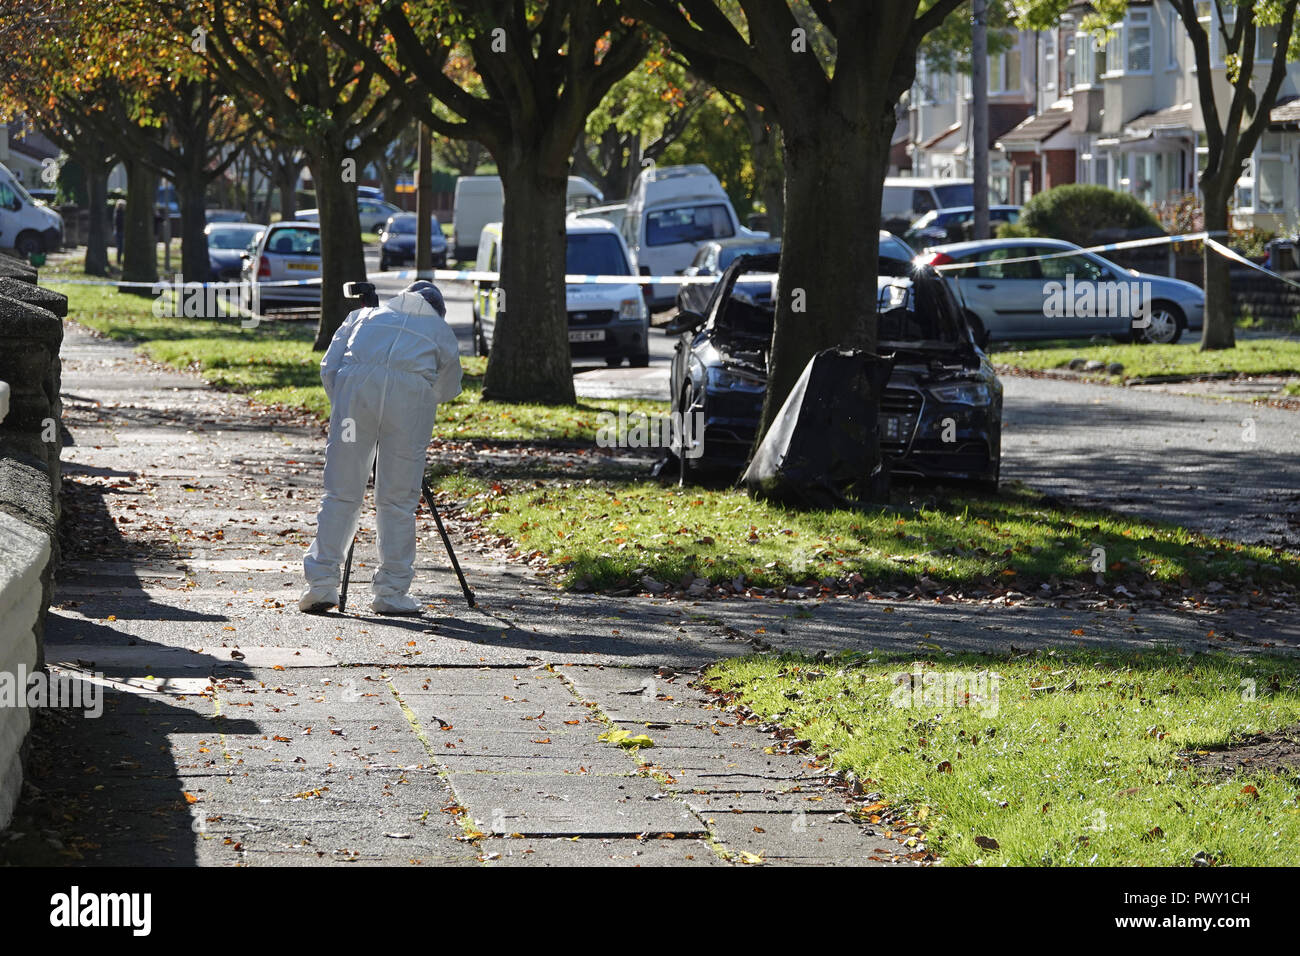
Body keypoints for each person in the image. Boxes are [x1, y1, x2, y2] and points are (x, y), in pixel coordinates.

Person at [300, 281, 462, 615]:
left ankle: (321, 585)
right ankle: (390, 592)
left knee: (340, 492)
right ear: (437, 310)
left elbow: (329, 368)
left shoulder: (362, 317)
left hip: (354, 402)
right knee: (397, 500)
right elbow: (448, 387)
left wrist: (347, 406)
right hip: (409, 406)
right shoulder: (439, 331)